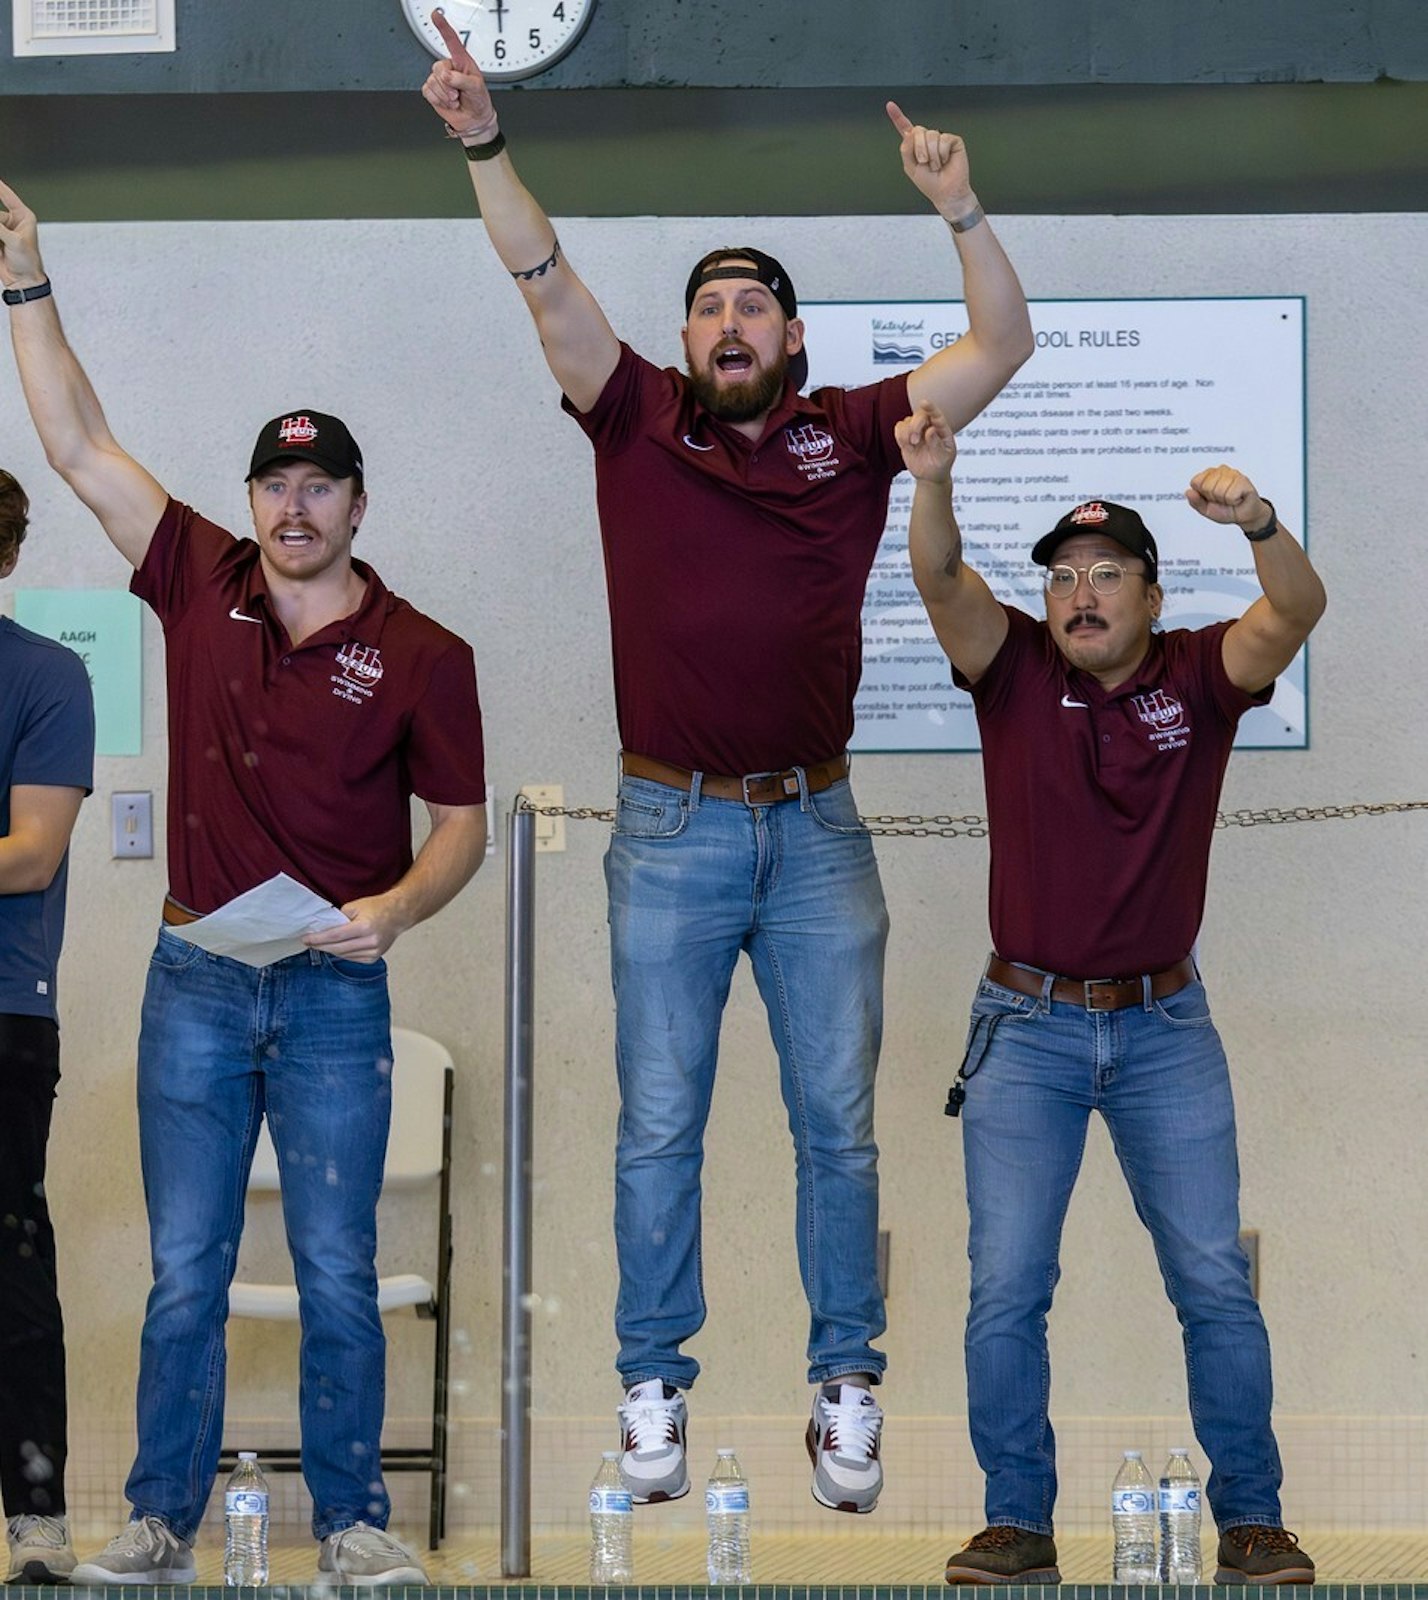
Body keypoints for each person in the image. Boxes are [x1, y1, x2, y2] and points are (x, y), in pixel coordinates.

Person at [420, 15, 1032, 1515]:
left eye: (756, 304)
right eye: (710, 308)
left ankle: (846, 1388)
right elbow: (543, 277)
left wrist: (960, 207)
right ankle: (650, 1391)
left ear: (796, 339)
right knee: (660, 1120)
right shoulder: (633, 421)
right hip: (669, 827)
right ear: (687, 343)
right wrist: (487, 144)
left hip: (817, 829)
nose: (732, 322)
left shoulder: (852, 432)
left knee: (836, 1118)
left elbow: (1005, 346)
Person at [0, 181, 489, 1586]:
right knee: (184, 1278)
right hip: (197, 987)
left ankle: (354, 1528)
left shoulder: (424, 652)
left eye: (316, 484)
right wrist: (28, 283)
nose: (290, 505)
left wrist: (394, 911)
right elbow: (79, 443)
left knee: (339, 1276)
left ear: (354, 502)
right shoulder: (196, 578)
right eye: (272, 483)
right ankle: (160, 1522)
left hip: (337, 992)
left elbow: (455, 823)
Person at [898, 399, 1325, 1584]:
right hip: (1024, 1029)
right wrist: (932, 481)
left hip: (1166, 1029)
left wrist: (1261, 521)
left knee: (1210, 1279)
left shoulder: (1199, 672)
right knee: (1006, 1286)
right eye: (1063, 578)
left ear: (1148, 592)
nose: (1080, 596)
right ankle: (1017, 1521)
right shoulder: (1014, 671)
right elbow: (940, 580)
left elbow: (1295, 609)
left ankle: (1252, 1517)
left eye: (1106, 575)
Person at [0, 470, 94, 1585]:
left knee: (11, 1265)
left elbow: (30, 852)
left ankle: (35, 1520)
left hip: (5, 1017)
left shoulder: (48, 675)